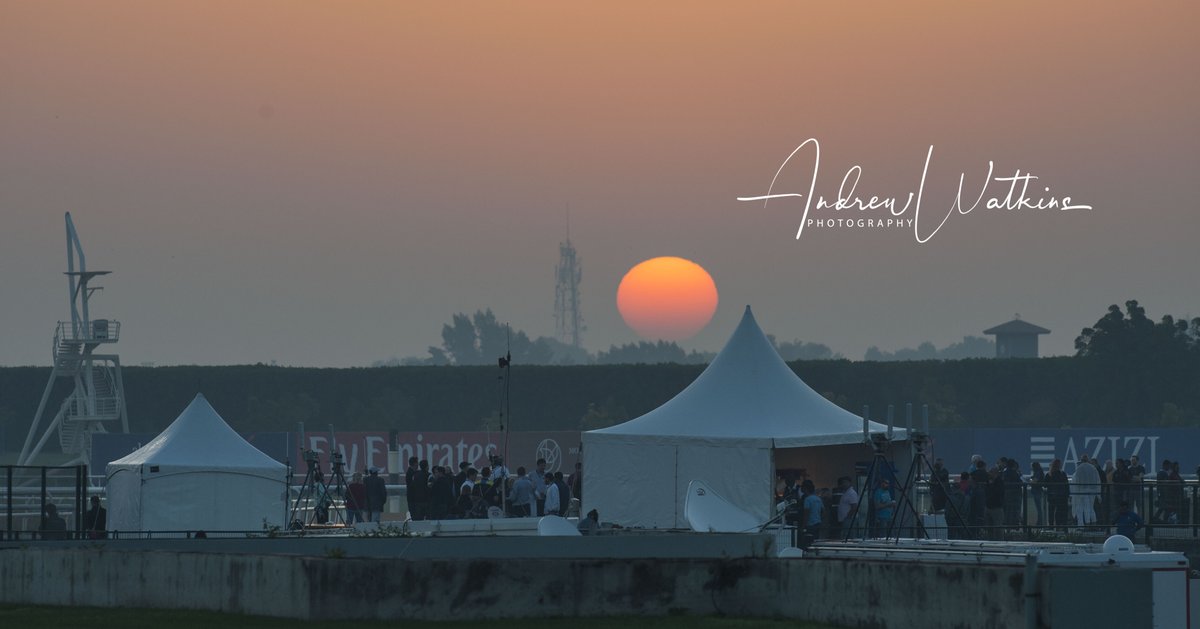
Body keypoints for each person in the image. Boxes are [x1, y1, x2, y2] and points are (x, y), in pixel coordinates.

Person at [1071, 455, 1100, 528]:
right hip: (1093, 491)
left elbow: (1077, 482)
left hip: (1082, 491)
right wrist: (1098, 493)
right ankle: (1093, 524)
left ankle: (1086, 524)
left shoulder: (1079, 468)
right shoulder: (1093, 468)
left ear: (1081, 460)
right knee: (1091, 507)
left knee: (1085, 508)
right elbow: (1097, 480)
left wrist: (1076, 493)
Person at [1045, 458, 1070, 530]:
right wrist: (1067, 495)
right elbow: (1066, 485)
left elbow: (1045, 484)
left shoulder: (1049, 474)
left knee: (1051, 511)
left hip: (1051, 495)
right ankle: (1060, 526)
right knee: (1060, 511)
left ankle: (1051, 526)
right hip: (1061, 496)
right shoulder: (1062, 474)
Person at [1028, 461, 1046, 527]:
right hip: (1037, 491)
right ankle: (1039, 522)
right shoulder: (1039, 471)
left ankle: (1040, 522)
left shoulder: (1038, 472)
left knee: (1039, 508)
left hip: (1037, 491)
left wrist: (1030, 481)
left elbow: (1034, 481)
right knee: (1039, 508)